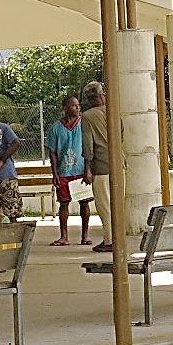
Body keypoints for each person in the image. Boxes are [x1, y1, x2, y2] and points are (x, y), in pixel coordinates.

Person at [46, 94, 92, 246]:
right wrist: (55, 173)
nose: (77, 107)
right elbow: (52, 151)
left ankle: (85, 235)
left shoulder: (84, 124)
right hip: (64, 171)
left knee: (84, 203)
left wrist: (88, 169)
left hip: (80, 170)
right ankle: (64, 235)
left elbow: (89, 147)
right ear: (65, 108)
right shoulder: (56, 128)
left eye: (78, 105)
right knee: (64, 203)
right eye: (73, 105)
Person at [80, 81, 113, 253]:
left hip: (101, 166)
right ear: (101, 95)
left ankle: (109, 240)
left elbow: (88, 144)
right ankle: (116, 237)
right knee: (116, 204)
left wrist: (87, 168)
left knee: (104, 205)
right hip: (118, 163)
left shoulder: (87, 116)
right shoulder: (113, 110)